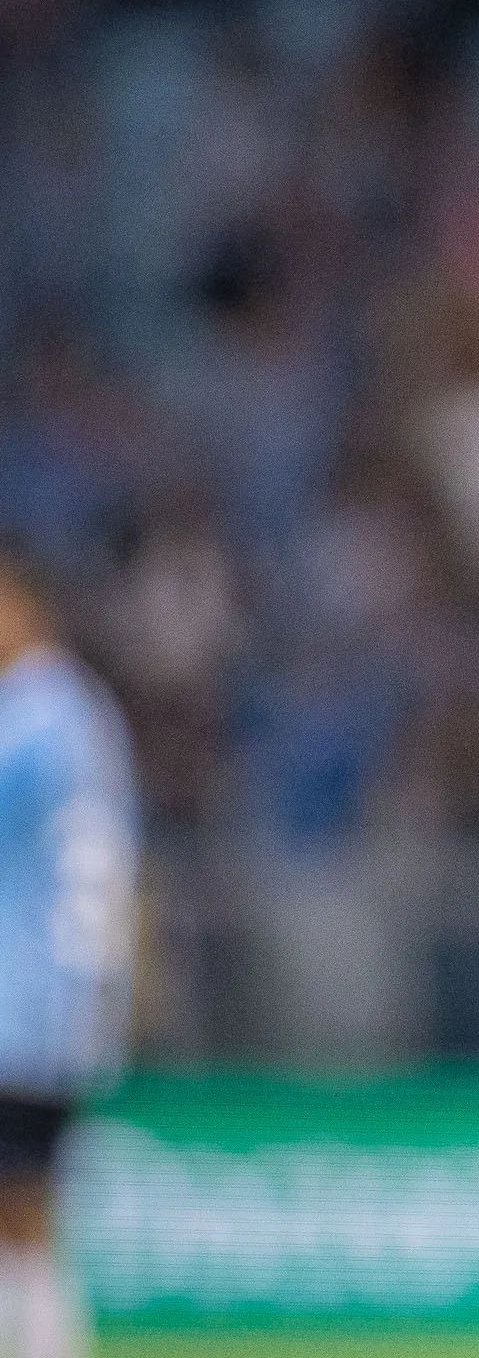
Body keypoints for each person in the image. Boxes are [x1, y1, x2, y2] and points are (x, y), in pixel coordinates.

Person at [0, 544, 137, 1358]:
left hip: (21, 1000)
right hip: (69, 999)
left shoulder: (33, 709)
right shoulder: (86, 712)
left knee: (21, 1201)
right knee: (25, 1204)